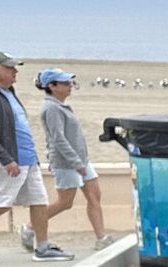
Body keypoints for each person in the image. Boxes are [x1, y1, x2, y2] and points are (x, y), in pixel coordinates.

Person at [0, 51, 71, 261]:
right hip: (8, 159)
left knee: (38, 200)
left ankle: (42, 248)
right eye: (10, 68)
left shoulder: (8, 91)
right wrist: (5, 158)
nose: (15, 72)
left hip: (27, 159)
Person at [37, 69, 113, 245]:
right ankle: (31, 226)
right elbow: (58, 139)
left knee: (94, 196)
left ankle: (101, 238)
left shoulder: (61, 106)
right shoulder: (51, 108)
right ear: (52, 86)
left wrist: (82, 161)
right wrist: (76, 163)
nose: (69, 86)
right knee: (65, 202)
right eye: (65, 83)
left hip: (81, 160)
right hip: (66, 163)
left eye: (69, 83)